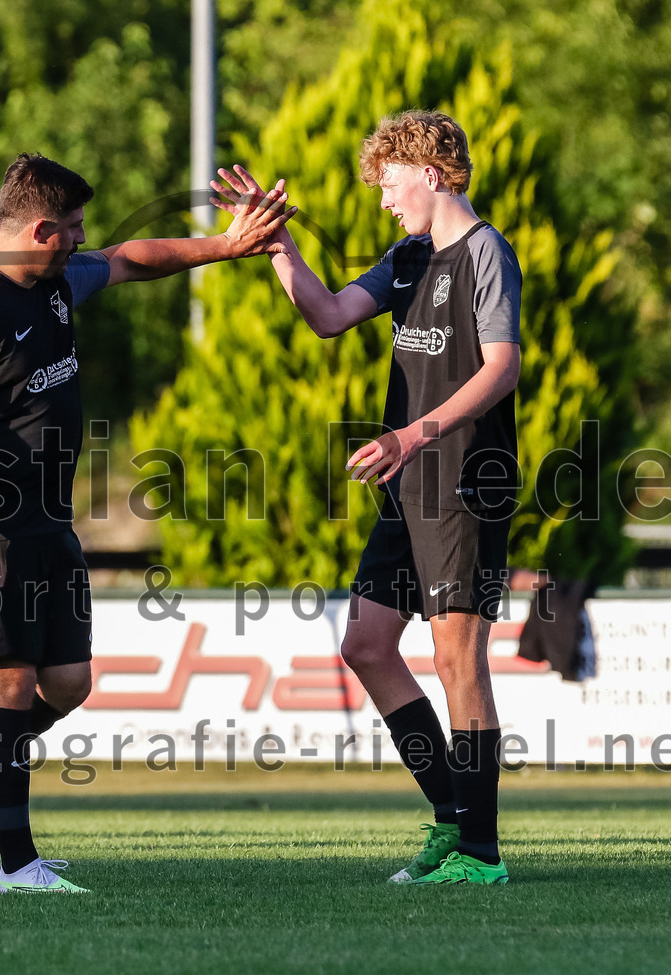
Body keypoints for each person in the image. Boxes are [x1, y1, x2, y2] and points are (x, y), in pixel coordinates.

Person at [0, 152, 292, 894]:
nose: (83, 241)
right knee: (9, 688)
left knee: (67, 682)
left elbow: (132, 260)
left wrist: (228, 246)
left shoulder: (53, 280)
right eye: (71, 230)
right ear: (39, 228)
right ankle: (19, 867)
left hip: (48, 523)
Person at [212, 111, 521, 885]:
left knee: (458, 658)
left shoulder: (488, 253)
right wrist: (275, 243)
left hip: (464, 481)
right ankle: (457, 820)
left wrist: (413, 434)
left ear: (431, 172)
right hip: (406, 485)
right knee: (368, 645)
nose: (384, 199)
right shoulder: (408, 257)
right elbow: (327, 316)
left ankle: (480, 854)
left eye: (388, 183)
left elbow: (501, 368)